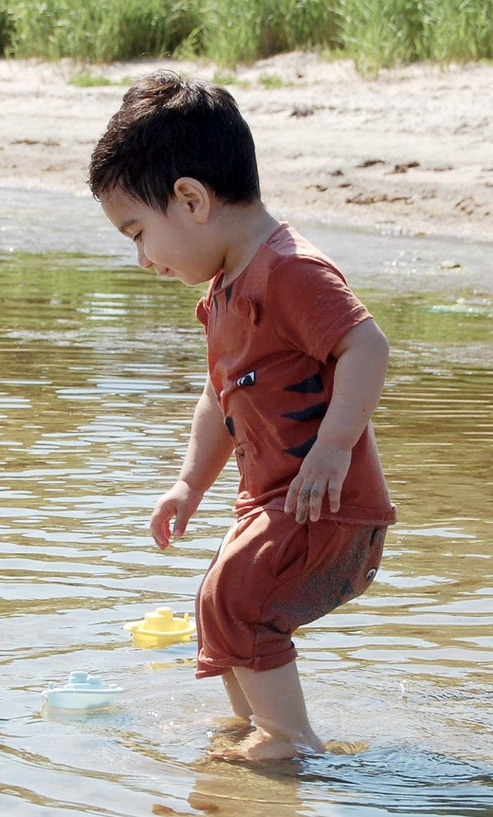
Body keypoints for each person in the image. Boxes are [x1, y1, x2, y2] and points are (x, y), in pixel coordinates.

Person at [88, 70, 397, 761]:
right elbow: (217, 401)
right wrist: (188, 484)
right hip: (273, 502)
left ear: (191, 199)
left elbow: (365, 345)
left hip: (328, 499)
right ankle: (254, 724)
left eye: (138, 233)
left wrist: (335, 446)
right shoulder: (222, 295)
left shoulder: (290, 270)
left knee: (235, 594)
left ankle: (291, 738)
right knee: (217, 599)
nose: (142, 259)